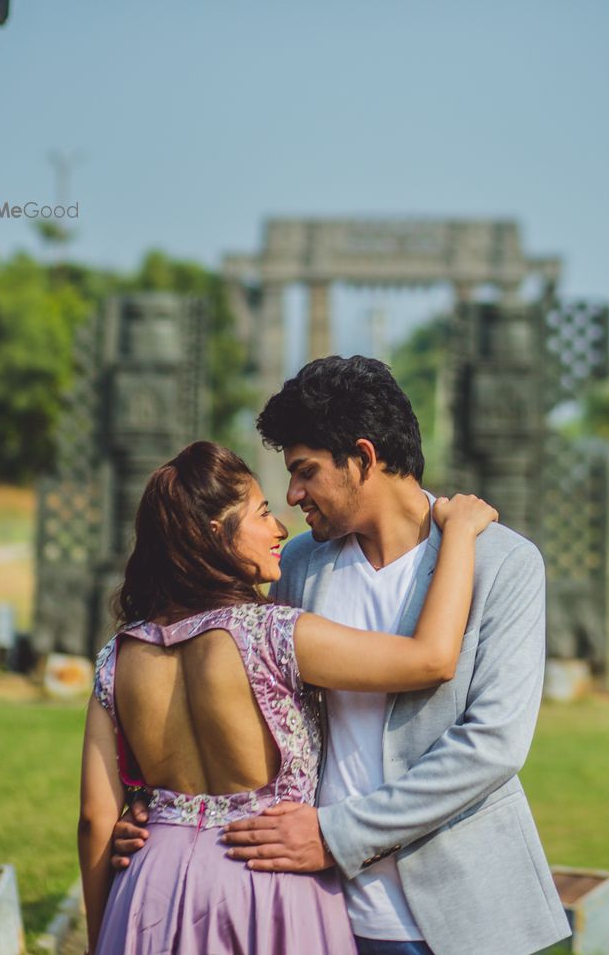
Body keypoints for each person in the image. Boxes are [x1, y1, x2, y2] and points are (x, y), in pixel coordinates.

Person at [114, 356, 571, 955]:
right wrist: (159, 807)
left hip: (465, 908)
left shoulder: (501, 563)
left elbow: (494, 744)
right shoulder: (296, 566)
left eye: (305, 472)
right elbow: (238, 702)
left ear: (363, 457)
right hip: (320, 910)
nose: (292, 494)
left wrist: (337, 834)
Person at [79, 437, 497, 955]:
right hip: (265, 880)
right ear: (216, 533)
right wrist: (457, 532)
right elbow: (431, 659)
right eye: (261, 513)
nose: (281, 527)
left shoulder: (116, 657)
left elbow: (96, 819)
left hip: (148, 889)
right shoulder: (274, 634)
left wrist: (102, 937)